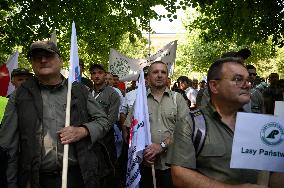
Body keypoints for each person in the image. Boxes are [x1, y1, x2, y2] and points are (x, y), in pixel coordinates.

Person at [0, 40, 112, 187]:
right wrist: (11, 183)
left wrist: (83, 130)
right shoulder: (19, 95)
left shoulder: (79, 91)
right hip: (36, 180)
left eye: (48, 55)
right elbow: (8, 145)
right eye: (37, 57)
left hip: (78, 177)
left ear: (61, 60)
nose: (43, 60)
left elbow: (103, 121)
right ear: (32, 63)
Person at [168, 57, 266, 187]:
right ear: (214, 86)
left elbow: (272, 175)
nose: (247, 84)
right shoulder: (191, 123)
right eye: (238, 79)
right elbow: (180, 176)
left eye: (248, 80)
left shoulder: (260, 126)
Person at [125, 61, 189, 188]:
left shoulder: (178, 99)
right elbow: (130, 130)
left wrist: (162, 146)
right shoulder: (140, 101)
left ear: (167, 77)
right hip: (146, 165)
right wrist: (142, 152)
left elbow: (186, 131)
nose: (159, 75)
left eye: (163, 72)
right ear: (148, 78)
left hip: (173, 165)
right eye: (155, 72)